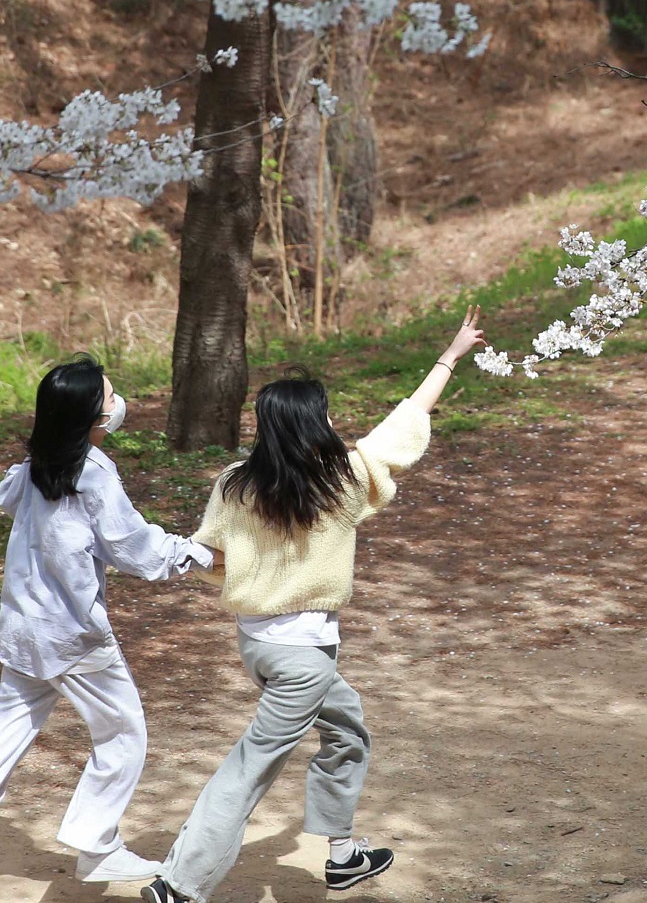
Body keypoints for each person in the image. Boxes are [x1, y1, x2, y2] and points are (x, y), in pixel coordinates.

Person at [142, 306, 489, 903]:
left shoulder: (235, 484)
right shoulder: (343, 480)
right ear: (312, 423)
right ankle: (179, 884)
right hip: (302, 659)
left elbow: (212, 555)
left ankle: (343, 854)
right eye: (327, 411)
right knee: (250, 769)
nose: (334, 418)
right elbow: (404, 427)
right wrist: (449, 358)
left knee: (347, 728)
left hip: (264, 648)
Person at [0, 355, 214, 903]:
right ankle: (96, 844)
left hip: (23, 626)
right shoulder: (91, 472)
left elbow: (9, 499)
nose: (118, 404)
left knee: (0, 736)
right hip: (72, 635)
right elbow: (132, 547)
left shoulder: (37, 464)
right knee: (123, 732)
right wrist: (191, 552)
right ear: (91, 418)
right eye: (110, 397)